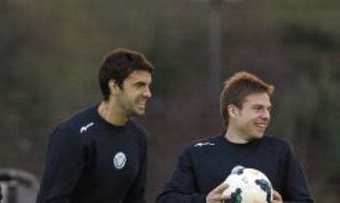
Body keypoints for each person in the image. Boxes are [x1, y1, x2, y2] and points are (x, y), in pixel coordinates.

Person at [156, 71, 314, 203]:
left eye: (268, 109)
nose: (266, 115)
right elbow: (165, 199)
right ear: (233, 111)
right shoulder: (197, 153)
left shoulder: (280, 151)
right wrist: (205, 201)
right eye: (258, 108)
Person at [36, 48, 154, 203]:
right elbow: (52, 199)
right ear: (115, 86)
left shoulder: (139, 138)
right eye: (139, 85)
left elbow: (135, 199)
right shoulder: (73, 134)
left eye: (148, 86)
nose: (148, 93)